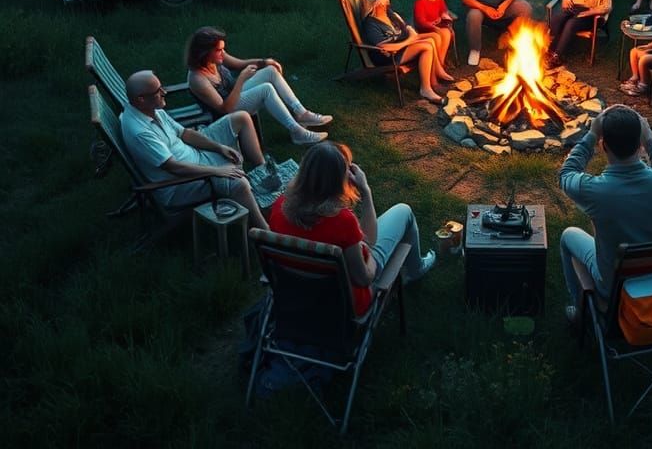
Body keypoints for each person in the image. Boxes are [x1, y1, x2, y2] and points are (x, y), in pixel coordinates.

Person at [268, 141, 435, 309]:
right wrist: (365, 192)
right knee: (404, 211)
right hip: (343, 304)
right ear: (340, 179)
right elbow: (364, 278)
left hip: (296, 294)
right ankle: (415, 270)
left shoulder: (279, 206)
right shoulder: (343, 222)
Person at [558, 105, 652, 323]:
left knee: (568, 235)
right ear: (640, 144)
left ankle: (579, 312)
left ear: (603, 145)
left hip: (615, 285)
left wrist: (591, 135)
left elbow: (566, 174)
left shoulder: (595, 191)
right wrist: (650, 139)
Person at [122, 69, 268, 227]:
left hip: (193, 153)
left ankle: (263, 171)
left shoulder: (151, 110)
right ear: (141, 99)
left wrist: (219, 148)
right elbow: (174, 168)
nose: (164, 92)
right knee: (239, 183)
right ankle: (264, 231)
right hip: (182, 184)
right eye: (158, 91)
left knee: (241, 118)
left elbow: (184, 133)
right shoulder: (141, 133)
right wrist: (216, 171)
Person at [186, 26, 329, 146]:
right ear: (205, 52)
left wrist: (264, 62)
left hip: (234, 94)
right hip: (227, 111)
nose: (223, 53)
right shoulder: (197, 79)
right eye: (219, 50)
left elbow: (239, 63)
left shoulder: (215, 58)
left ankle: (301, 113)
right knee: (265, 89)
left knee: (270, 71)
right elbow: (225, 109)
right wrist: (241, 79)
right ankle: (297, 132)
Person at [361, 0, 453, 104]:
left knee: (434, 36)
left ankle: (435, 80)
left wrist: (410, 31)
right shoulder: (370, 24)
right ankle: (426, 89)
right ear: (377, 5)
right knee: (427, 46)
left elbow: (404, 25)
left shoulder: (388, 13)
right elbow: (384, 48)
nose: (387, 5)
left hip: (403, 42)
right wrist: (409, 40)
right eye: (385, 3)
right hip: (389, 56)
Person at [545, 0, 612, 68]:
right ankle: (550, 49)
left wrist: (590, 12)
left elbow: (607, 6)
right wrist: (566, 0)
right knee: (557, 18)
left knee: (571, 24)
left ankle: (557, 56)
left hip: (593, 15)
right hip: (575, 8)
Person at [413, 0, 456, 69]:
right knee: (440, 35)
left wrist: (443, 16)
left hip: (438, 24)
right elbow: (421, 22)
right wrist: (433, 26)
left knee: (447, 33)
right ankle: (437, 63)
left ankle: (441, 61)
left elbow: (443, 9)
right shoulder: (420, 3)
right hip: (425, 28)